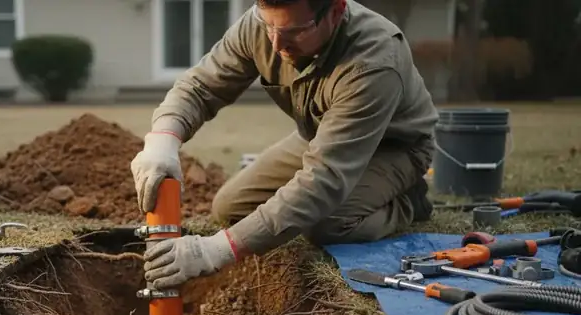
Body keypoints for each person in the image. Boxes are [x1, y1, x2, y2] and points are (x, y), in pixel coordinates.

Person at [130, 0, 438, 290]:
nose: (277, 44)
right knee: (229, 207)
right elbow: (200, 87)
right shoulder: (263, 23)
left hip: (394, 148)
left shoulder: (373, 61)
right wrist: (163, 140)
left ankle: (407, 201)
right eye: (269, 28)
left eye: (294, 32)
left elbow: (324, 179)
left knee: (325, 225)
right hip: (320, 135)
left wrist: (220, 249)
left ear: (335, 10)